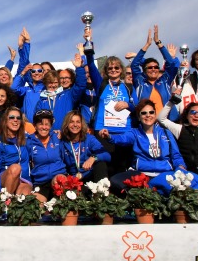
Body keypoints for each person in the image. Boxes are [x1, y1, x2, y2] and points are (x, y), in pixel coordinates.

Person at [99, 99, 198, 195]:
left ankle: (151, 190)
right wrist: (109, 136)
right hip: (142, 174)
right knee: (115, 181)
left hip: (165, 173)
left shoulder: (166, 133)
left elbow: (176, 155)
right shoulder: (135, 133)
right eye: (143, 113)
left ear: (155, 114)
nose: (148, 115)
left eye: (151, 112)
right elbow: (122, 139)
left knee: (194, 181)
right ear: (139, 117)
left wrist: (180, 167)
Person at [84, 28, 138, 176]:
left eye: (116, 67)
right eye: (110, 68)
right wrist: (89, 43)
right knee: (103, 165)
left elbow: (138, 108)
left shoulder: (128, 87)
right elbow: (91, 65)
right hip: (102, 130)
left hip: (124, 131)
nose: (113, 70)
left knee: (121, 166)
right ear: (106, 71)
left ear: (121, 69)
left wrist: (128, 105)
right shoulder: (101, 84)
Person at [131, 26, 180, 120]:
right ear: (144, 71)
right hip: (146, 122)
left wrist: (158, 42)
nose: (153, 69)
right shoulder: (140, 81)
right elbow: (134, 65)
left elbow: (170, 63)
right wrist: (147, 45)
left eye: (156, 67)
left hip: (168, 122)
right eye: (150, 67)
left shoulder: (165, 80)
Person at [34, 47, 87, 131]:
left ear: (58, 83)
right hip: (49, 137)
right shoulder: (41, 101)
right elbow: (38, 122)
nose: (53, 85)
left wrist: (79, 68)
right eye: (50, 83)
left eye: (55, 82)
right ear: (45, 83)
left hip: (67, 135)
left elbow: (81, 85)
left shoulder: (68, 95)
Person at [26, 110, 67, 201]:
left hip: (58, 176)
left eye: (47, 124)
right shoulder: (29, 142)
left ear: (51, 126)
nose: (44, 127)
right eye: (40, 124)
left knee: (60, 181)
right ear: (35, 125)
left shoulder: (57, 137)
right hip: (40, 181)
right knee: (37, 208)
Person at [0, 107, 31, 195]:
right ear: (5, 120)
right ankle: (4, 201)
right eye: (12, 117)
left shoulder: (27, 137)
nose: (15, 120)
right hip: (6, 178)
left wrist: (56, 134)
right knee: (16, 168)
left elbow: (41, 136)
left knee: (24, 197)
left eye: (18, 118)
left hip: (23, 179)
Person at [60, 110, 109, 182]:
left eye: (78, 122)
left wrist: (93, 157)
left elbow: (107, 155)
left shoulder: (89, 139)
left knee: (101, 165)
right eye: (71, 122)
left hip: (89, 175)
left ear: (82, 124)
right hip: (73, 179)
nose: (75, 125)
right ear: (67, 124)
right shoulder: (62, 142)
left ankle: (101, 192)